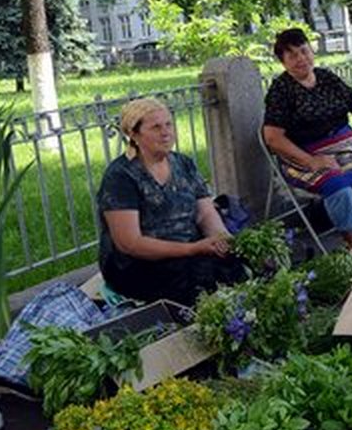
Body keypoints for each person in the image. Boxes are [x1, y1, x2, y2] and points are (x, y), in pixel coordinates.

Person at [96, 97, 245, 308]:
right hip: (138, 265)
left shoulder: (183, 163)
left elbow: (205, 214)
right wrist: (192, 249)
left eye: (168, 124)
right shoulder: (121, 176)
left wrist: (223, 240)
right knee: (198, 282)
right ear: (134, 135)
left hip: (190, 250)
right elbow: (129, 243)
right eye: (156, 127)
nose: (166, 132)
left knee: (239, 265)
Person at [262, 28, 352, 254]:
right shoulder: (281, 90)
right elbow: (272, 138)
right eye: (292, 55)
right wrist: (311, 161)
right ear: (283, 62)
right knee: (338, 188)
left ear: (311, 51)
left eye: (303, 51)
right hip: (304, 157)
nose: (300, 59)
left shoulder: (327, 78)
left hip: (347, 149)